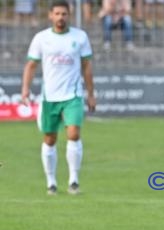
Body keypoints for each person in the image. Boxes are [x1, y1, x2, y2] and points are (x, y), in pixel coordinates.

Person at [21, 0, 96, 196]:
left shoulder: (80, 37)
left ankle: (73, 180)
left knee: (73, 134)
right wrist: (25, 90)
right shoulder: (41, 38)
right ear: (50, 16)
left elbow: (87, 67)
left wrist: (91, 93)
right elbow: (31, 65)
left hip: (72, 94)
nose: (60, 17)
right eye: (57, 14)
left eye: (64, 14)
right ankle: (51, 182)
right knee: (50, 138)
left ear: (69, 15)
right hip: (50, 96)